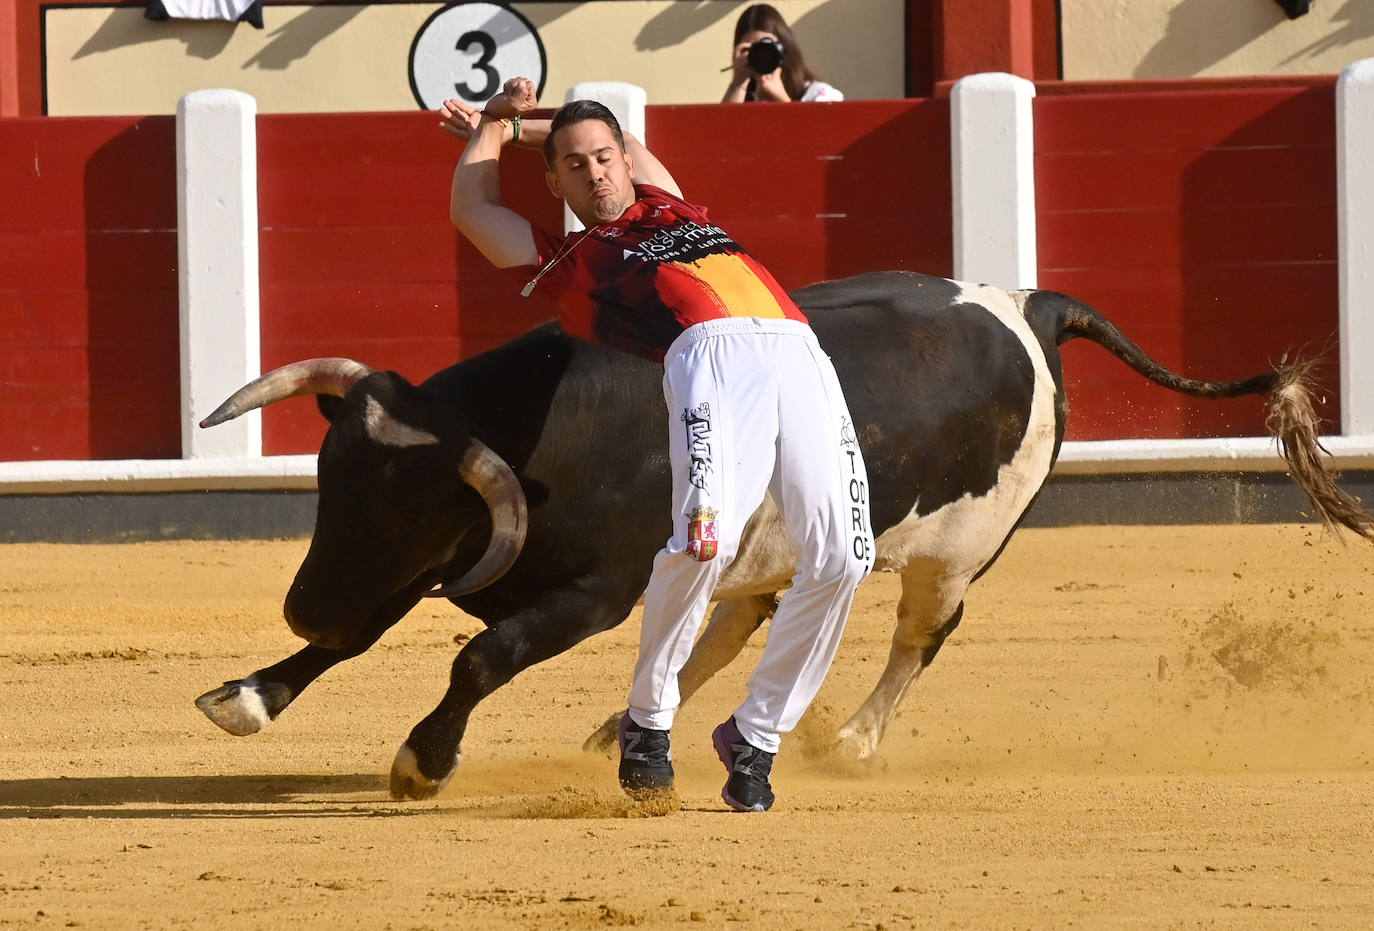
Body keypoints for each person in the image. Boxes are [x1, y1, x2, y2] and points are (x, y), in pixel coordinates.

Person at [439, 77, 872, 813]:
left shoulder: (669, 203)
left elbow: (622, 140)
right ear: (555, 182)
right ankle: (649, 723)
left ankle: (756, 735)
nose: (597, 170)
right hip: (707, 358)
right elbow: (472, 208)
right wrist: (494, 128)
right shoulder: (569, 258)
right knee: (704, 542)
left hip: (800, 349)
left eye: (603, 156)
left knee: (844, 554)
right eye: (575, 165)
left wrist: (530, 129)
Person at [722, 3, 843, 103]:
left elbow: (814, 130)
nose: (760, 55)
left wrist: (781, 98)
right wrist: (737, 84)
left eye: (766, 46)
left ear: (785, 48)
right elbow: (723, 128)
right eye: (750, 49)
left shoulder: (819, 95)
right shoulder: (743, 97)